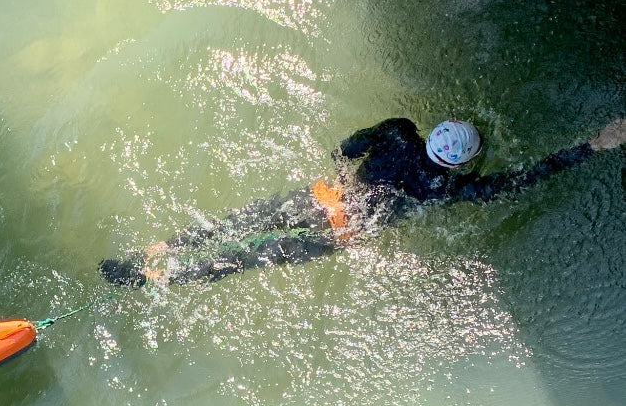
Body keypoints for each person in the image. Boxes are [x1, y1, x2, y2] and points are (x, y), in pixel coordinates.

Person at [99, 116, 626, 286]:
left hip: (327, 194)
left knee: (235, 222)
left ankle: (158, 248)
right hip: (345, 230)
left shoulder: (399, 131)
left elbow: (345, 147)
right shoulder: (449, 188)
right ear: (462, 163)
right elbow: (520, 182)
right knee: (245, 257)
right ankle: (161, 280)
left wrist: (339, 169)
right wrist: (591, 146)